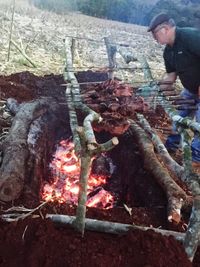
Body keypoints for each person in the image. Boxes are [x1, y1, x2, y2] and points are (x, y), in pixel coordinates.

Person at [147, 13, 200, 162]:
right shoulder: (168, 51)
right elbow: (171, 76)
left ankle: (195, 163)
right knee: (179, 118)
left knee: (199, 127)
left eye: (155, 34)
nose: (154, 38)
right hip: (190, 91)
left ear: (164, 29)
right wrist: (157, 89)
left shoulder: (190, 36)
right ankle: (170, 149)